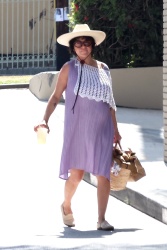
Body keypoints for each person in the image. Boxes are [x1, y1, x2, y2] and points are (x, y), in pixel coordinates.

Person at [34, 24, 121, 231]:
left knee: (103, 174)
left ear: (92, 46)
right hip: (78, 130)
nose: (83, 47)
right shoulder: (69, 69)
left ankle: (101, 219)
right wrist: (45, 119)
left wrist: (116, 130)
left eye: (87, 43)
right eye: (79, 43)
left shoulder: (104, 69)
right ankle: (66, 206)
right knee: (77, 175)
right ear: (73, 47)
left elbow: (110, 103)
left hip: (102, 130)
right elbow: (55, 97)